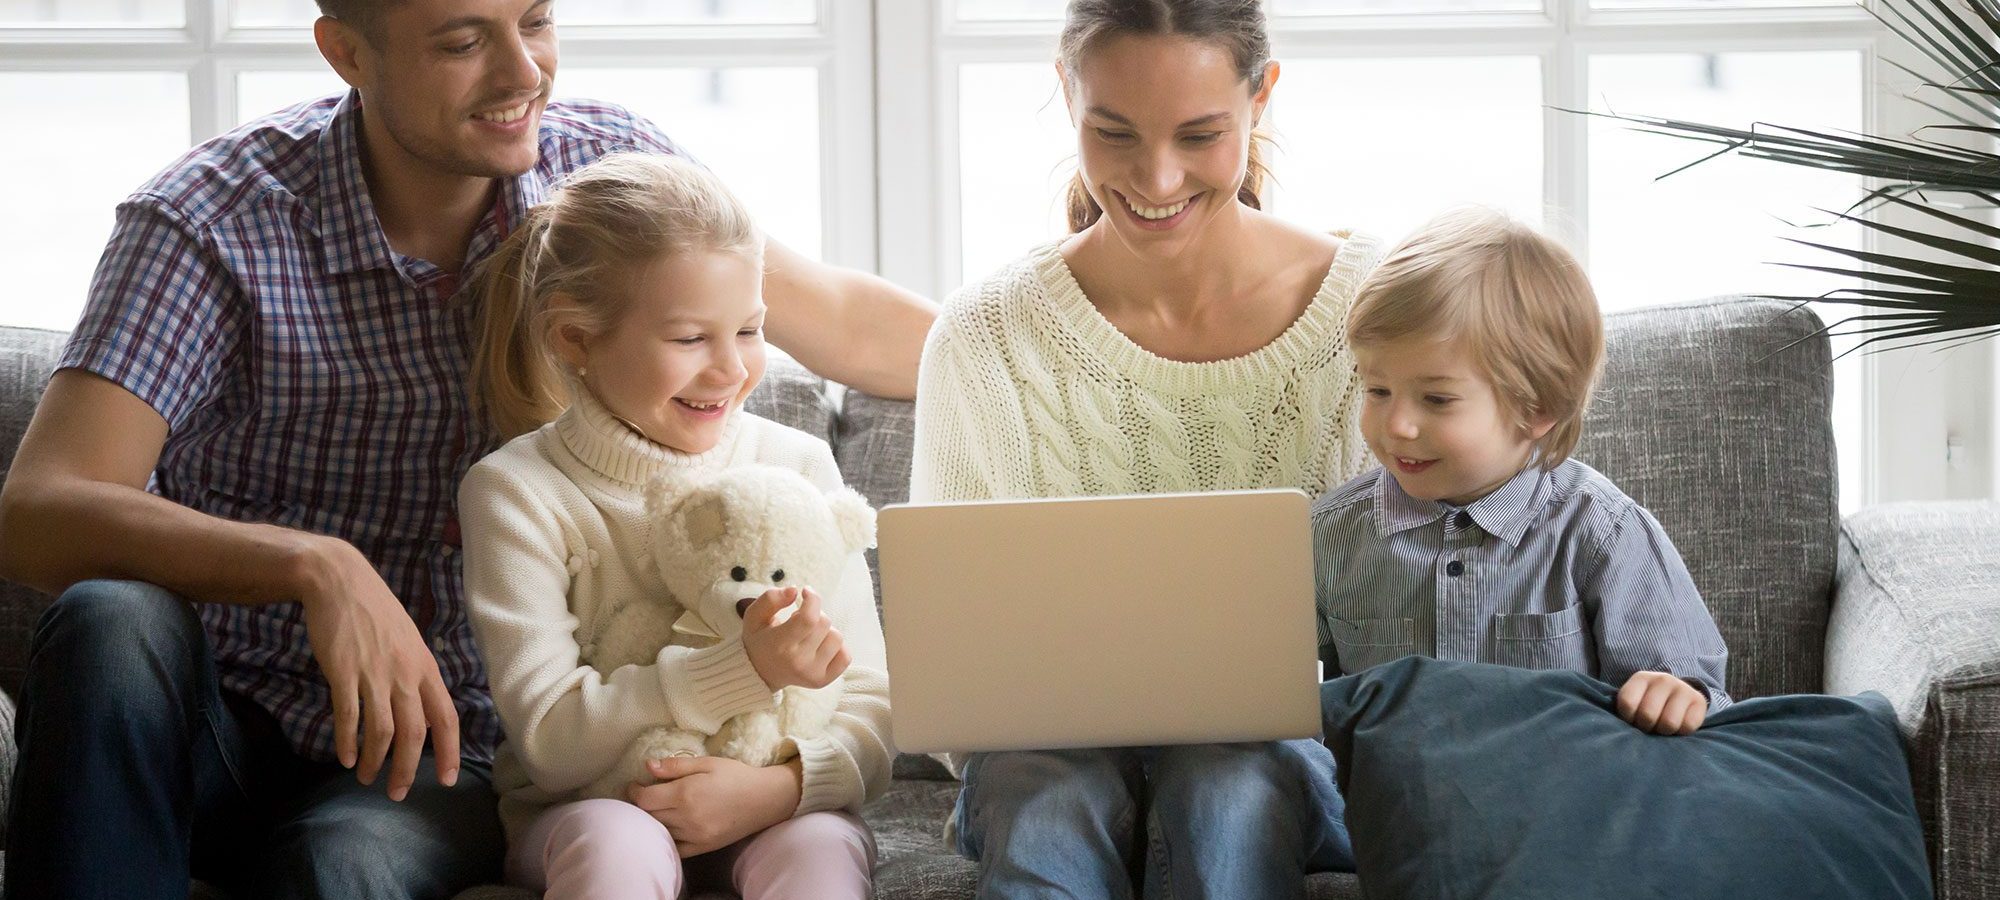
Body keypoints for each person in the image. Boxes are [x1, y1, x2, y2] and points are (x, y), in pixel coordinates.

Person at [0, 1, 933, 897]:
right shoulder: (214, 222)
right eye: (462, 41)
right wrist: (315, 568)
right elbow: (40, 512)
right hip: (220, 722)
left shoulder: (604, 175)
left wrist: (1066, 344)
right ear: (348, 55)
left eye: (536, 21)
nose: (524, 71)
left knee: (342, 869)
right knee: (109, 624)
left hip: (437, 762)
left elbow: (844, 322)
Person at [909, 0, 1380, 895]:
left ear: (1261, 98)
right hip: (1042, 758)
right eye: (1113, 132)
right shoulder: (985, 337)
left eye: (1200, 134)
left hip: (1279, 758)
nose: (1156, 178)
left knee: (1228, 786)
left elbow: (1414, 615)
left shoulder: (1373, 316)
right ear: (1066, 93)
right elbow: (954, 677)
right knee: (1047, 799)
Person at [457, 152, 889, 900]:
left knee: (820, 845)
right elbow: (554, 741)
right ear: (575, 340)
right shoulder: (518, 492)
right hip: (592, 812)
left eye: (750, 330)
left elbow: (871, 704)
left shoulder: (799, 467)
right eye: (691, 340)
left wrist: (778, 791)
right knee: (616, 844)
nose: (731, 370)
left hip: (771, 807)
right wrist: (741, 672)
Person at [1312, 206, 1731, 735]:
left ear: (1535, 410)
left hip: (1551, 800)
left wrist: (1677, 696)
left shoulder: (1603, 532)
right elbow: (1287, 712)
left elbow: (1700, 698)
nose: (1396, 425)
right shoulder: (1327, 538)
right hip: (1382, 806)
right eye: (1377, 390)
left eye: (1437, 399)